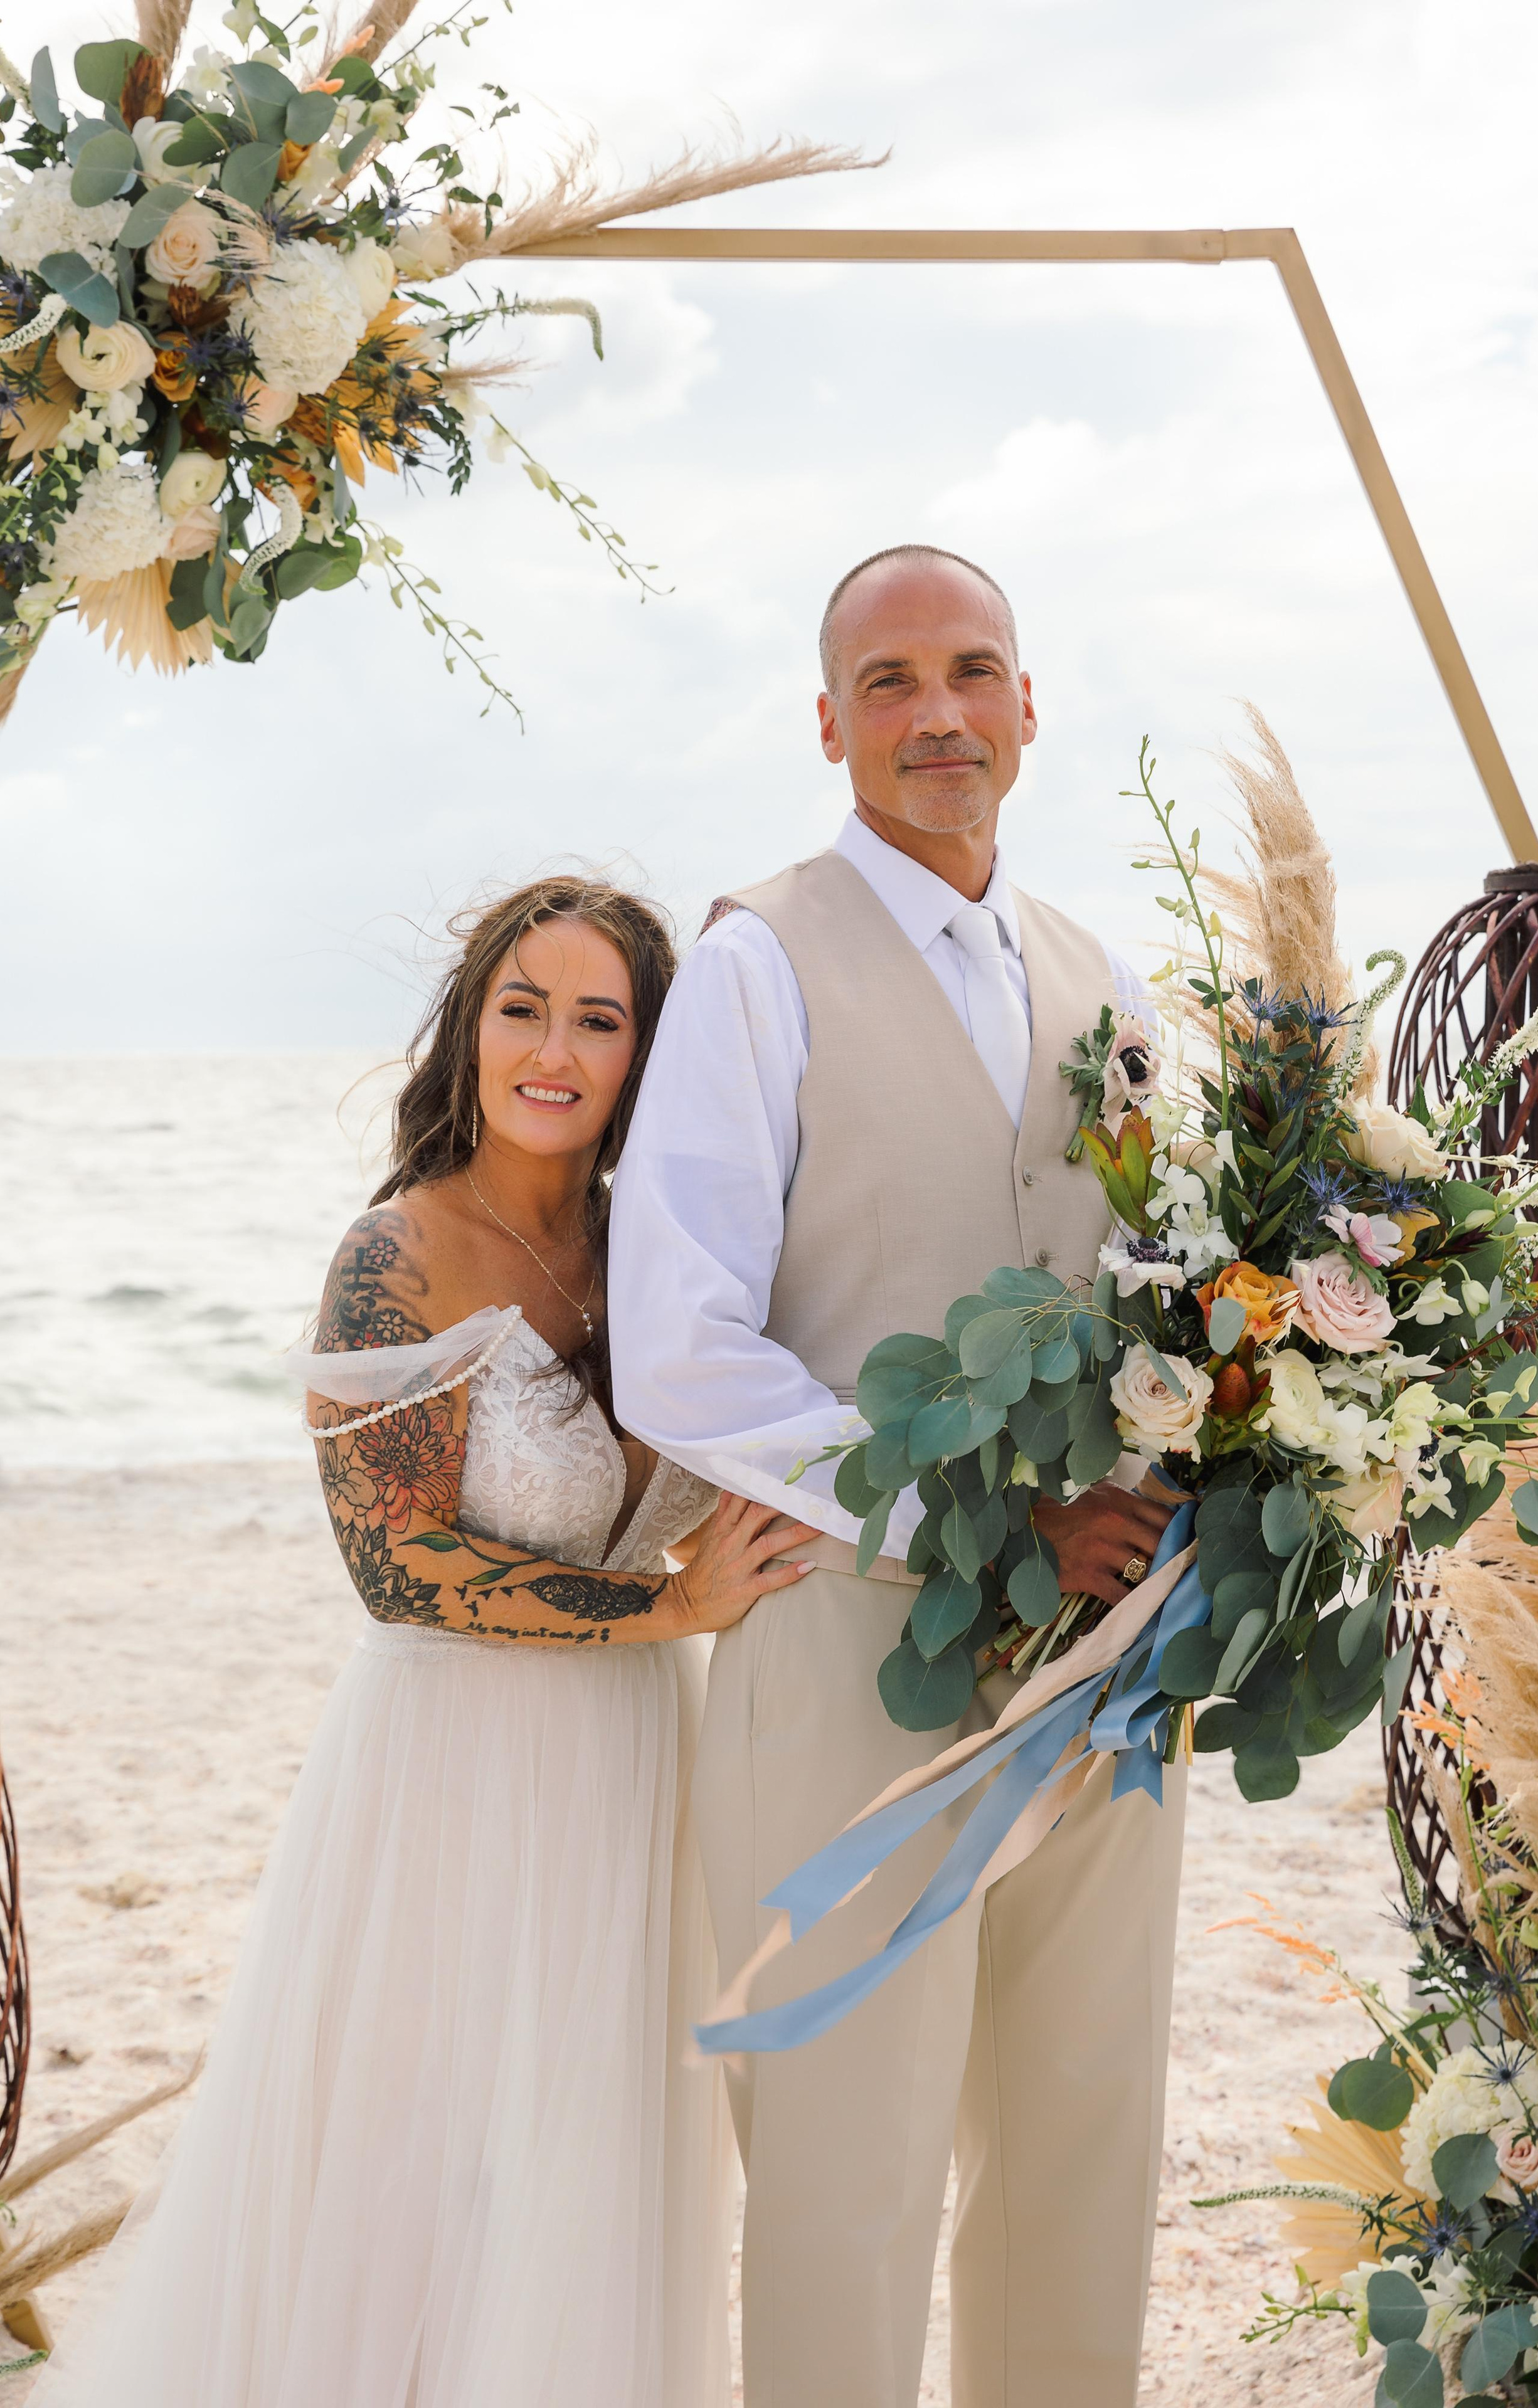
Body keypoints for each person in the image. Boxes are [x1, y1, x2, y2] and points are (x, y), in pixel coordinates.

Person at [33, 875, 814, 2408]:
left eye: (599, 1020)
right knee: (417, 2158)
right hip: (452, 1764)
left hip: (627, 1755)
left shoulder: (653, 1254)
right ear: (471, 1030)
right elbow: (396, 1568)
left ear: (644, 1059)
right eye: (523, 1007)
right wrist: (673, 1603)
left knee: (578, 2153)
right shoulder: (395, 1253)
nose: (554, 1049)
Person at [608, 547, 1185, 2408]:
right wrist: (988, 1520)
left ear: (1029, 705)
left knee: (1080, 2152)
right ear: (830, 722)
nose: (936, 711)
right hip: (848, 1654)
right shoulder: (756, 963)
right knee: (848, 2191)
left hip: (1105, 1667)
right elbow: (682, 1346)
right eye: (888, 680)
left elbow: (1166, 1294)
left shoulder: (1105, 981)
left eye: (972, 669)